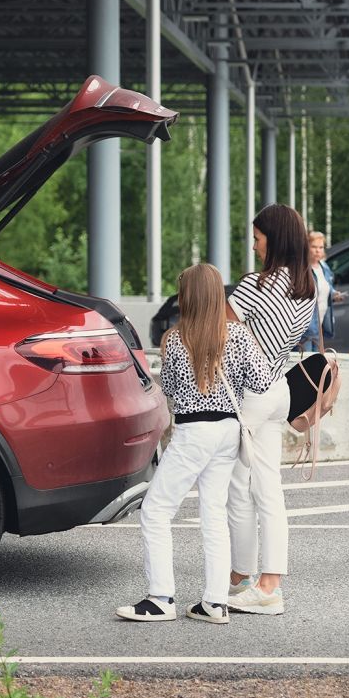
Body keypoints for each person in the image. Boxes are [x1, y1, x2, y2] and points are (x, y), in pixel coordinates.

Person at [116, 263, 272, 624]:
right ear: (219, 295)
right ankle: (214, 602)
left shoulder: (175, 339)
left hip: (193, 433)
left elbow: (168, 390)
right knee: (213, 514)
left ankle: (160, 598)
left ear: (186, 297)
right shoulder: (239, 336)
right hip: (227, 433)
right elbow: (262, 382)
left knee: (156, 511)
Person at [225, 203, 315, 616]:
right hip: (279, 389)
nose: (254, 246)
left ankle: (250, 580)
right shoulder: (308, 285)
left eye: (258, 238)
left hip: (249, 396)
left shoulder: (255, 286)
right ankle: (263, 582)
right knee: (266, 489)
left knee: (237, 489)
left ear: (273, 239)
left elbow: (218, 332)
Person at [300, 231, 338, 352]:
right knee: (304, 365)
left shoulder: (324, 266)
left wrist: (334, 294)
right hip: (304, 328)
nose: (318, 250)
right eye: (314, 247)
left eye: (321, 247)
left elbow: (327, 286)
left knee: (316, 364)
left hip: (319, 325)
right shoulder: (302, 269)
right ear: (307, 247)